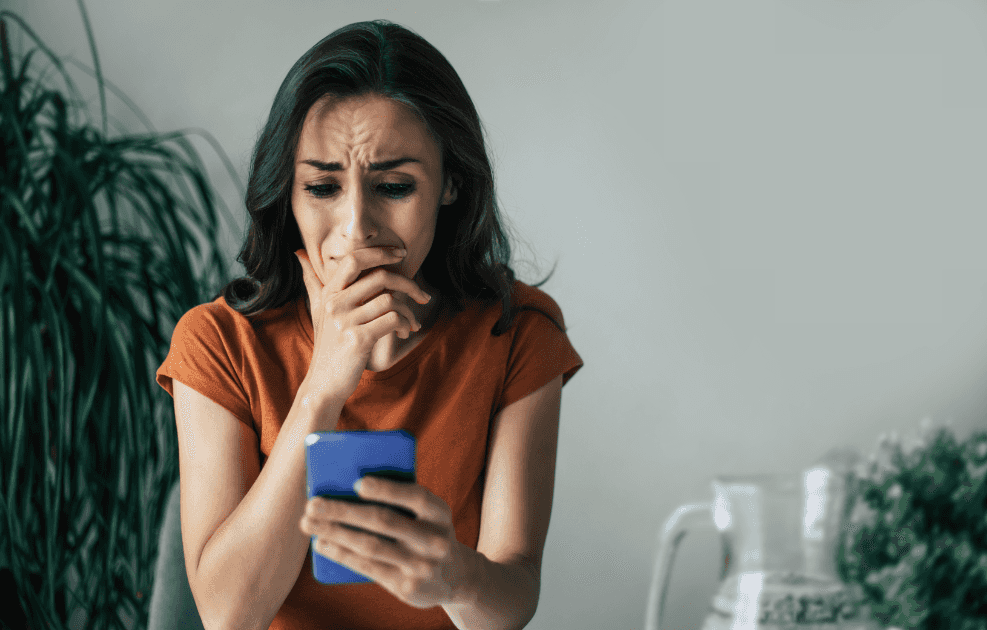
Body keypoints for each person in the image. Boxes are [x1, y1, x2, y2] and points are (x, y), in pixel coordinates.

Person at [155, 19, 582, 630]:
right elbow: (228, 616)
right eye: (322, 187)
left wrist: (455, 576)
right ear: (287, 192)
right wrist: (325, 384)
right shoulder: (217, 342)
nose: (356, 228)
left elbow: (511, 599)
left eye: (394, 187)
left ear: (451, 184)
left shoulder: (517, 334)